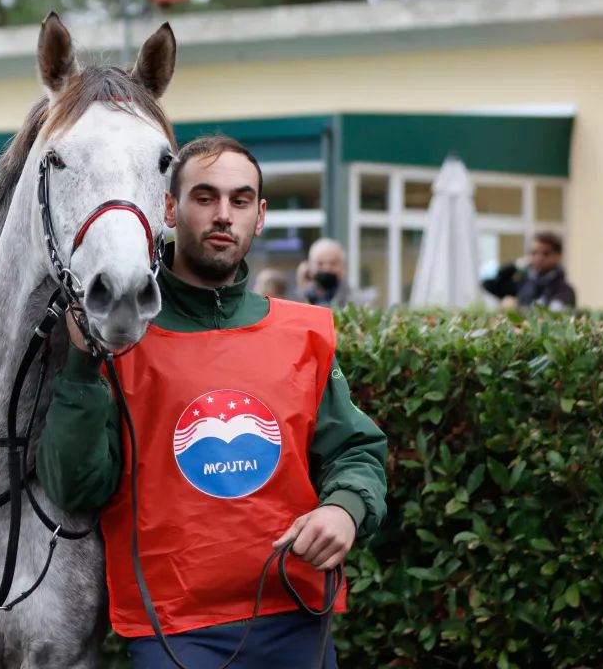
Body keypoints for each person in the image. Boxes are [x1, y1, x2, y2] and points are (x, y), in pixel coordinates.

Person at [37, 136, 387, 668]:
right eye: (205, 198)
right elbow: (76, 486)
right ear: (170, 209)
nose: (224, 215)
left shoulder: (303, 333)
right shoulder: (119, 335)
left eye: (240, 200)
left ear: (260, 215)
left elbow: (356, 451)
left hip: (295, 615)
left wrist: (345, 509)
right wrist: (83, 366)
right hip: (173, 631)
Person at [482, 231, 576, 310]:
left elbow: (553, 315)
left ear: (558, 256)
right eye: (534, 253)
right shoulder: (524, 283)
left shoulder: (564, 291)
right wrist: (516, 265)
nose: (539, 258)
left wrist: (517, 308)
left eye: (545, 253)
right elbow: (489, 285)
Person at [298, 238, 355, 308]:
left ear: (343, 267)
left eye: (333, 263)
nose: (326, 269)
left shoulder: (355, 303)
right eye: (320, 264)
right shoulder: (299, 300)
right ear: (310, 266)